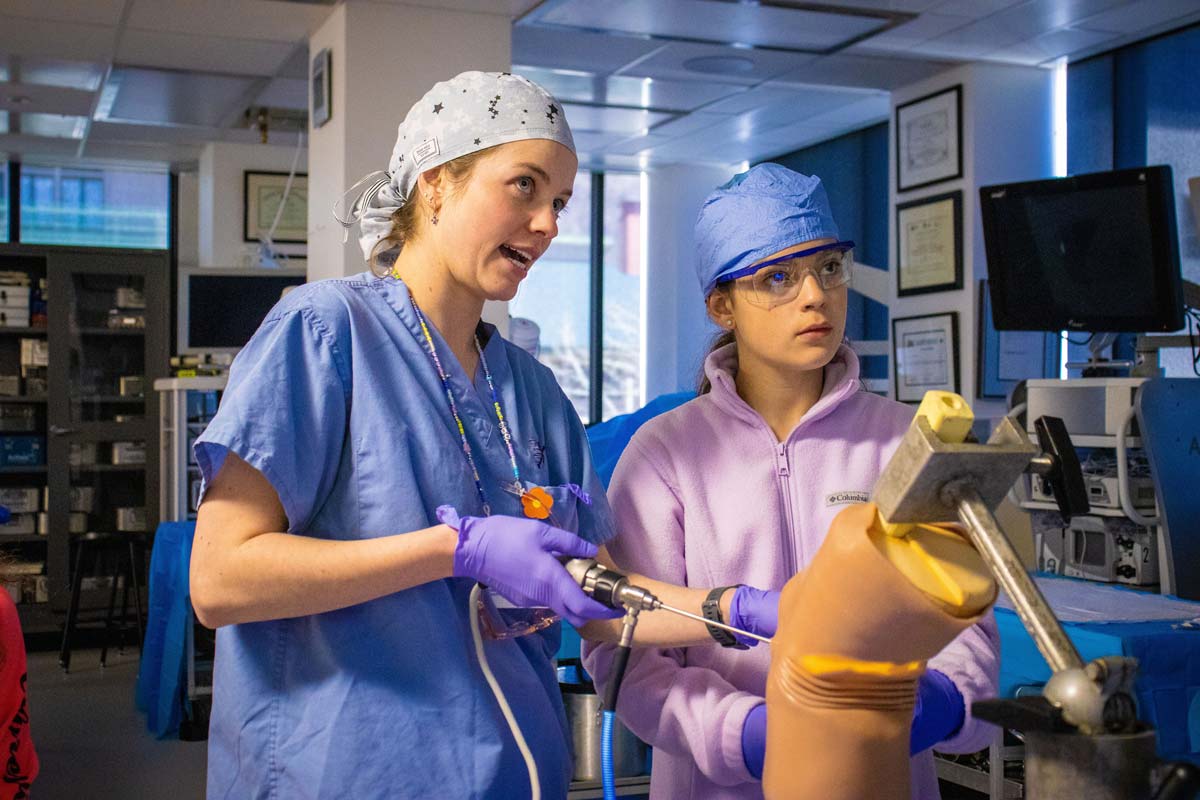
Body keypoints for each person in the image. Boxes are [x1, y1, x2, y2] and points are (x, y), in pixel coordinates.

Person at [189, 71, 628, 799]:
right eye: (525, 186)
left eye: (559, 202)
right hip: (346, 772)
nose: (549, 223)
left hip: (517, 773)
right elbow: (219, 580)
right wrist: (453, 550)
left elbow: (607, 598)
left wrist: (741, 614)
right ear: (435, 184)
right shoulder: (326, 333)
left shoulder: (535, 393)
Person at [582, 164, 1000, 799]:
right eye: (777, 277)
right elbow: (627, 652)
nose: (816, 296)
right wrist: (748, 733)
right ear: (722, 304)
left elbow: (966, 627)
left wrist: (937, 703)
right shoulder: (665, 455)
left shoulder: (904, 442)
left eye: (829, 268)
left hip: (882, 778)